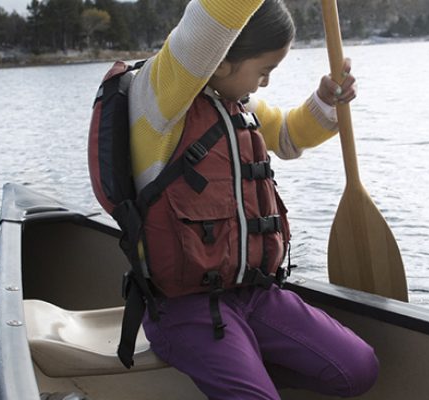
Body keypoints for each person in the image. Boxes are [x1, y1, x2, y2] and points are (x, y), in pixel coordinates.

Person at [125, 0, 378, 399]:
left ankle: (245, 367)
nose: (265, 84)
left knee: (357, 369)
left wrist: (327, 101)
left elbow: (289, 136)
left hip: (253, 294)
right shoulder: (162, 99)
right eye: (264, 71)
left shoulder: (236, 104)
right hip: (183, 310)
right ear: (221, 58)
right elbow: (213, 18)